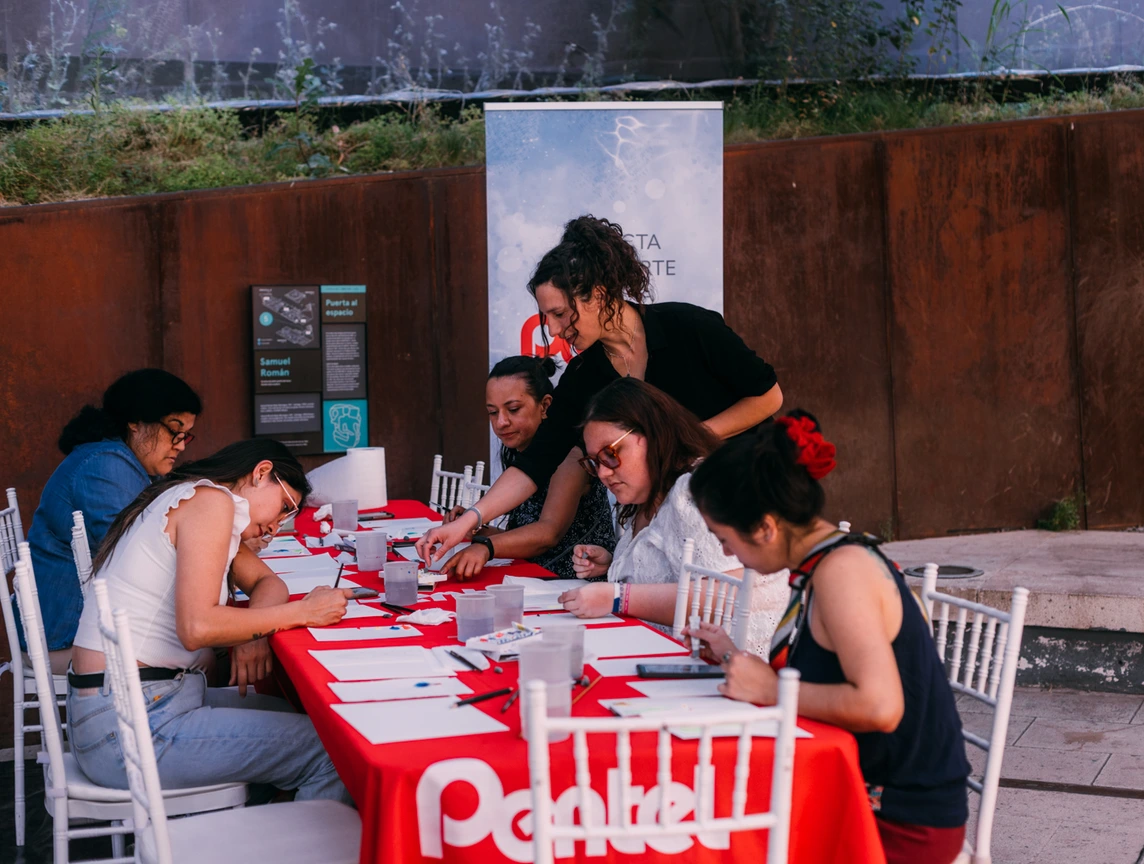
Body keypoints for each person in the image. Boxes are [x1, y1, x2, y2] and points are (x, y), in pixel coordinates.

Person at [417, 215, 783, 568]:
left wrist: (683, 441)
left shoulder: (688, 325)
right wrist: (470, 521)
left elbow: (768, 397)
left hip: (743, 500)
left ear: (597, 295)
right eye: (546, 317)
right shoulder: (584, 374)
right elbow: (536, 463)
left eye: (560, 314)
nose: (554, 329)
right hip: (673, 522)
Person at [686, 412, 970, 864]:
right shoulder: (826, 561)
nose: (726, 552)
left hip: (900, 820)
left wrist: (772, 690)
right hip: (869, 794)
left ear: (764, 527)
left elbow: (880, 706)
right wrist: (735, 659)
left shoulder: (842, 572)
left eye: (725, 538)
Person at [68, 439, 355, 805]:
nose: (277, 526)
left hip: (119, 713)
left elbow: (269, 583)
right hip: (132, 728)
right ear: (261, 472)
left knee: (290, 714)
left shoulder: (196, 499)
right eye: (284, 507)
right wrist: (302, 612)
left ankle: (250, 834)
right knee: (332, 751)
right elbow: (197, 629)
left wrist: (253, 631)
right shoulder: (211, 503)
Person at [556, 379, 787, 654]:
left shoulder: (695, 489)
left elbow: (726, 593)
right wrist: (616, 564)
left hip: (733, 674)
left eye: (610, 453)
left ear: (653, 436)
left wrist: (618, 597)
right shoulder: (645, 497)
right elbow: (674, 567)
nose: (603, 472)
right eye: (595, 462)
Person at [24, 368, 203, 672]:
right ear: (135, 421)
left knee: (211, 641)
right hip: (69, 637)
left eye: (186, 434)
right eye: (174, 430)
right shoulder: (106, 465)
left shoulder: (117, 461)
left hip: (77, 626)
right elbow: (136, 560)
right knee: (209, 650)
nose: (181, 445)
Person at [441, 356, 615, 580]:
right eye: (493, 413)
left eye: (513, 409)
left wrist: (486, 546)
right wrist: (472, 530)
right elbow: (521, 538)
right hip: (532, 580)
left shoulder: (571, 455)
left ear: (545, 406)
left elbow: (547, 534)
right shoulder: (519, 454)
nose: (501, 422)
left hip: (574, 590)